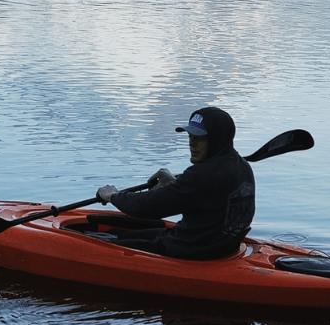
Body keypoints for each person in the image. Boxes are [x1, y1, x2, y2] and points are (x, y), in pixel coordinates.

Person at [95, 107, 255, 260]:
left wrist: (113, 196)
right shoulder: (242, 167)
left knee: (102, 244)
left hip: (190, 253)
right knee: (118, 231)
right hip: (219, 248)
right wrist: (175, 184)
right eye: (190, 136)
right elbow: (207, 195)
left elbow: (145, 208)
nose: (192, 143)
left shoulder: (201, 175)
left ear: (216, 139)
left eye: (199, 138)